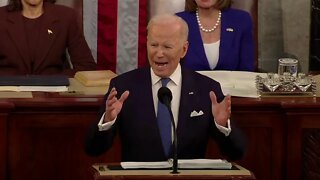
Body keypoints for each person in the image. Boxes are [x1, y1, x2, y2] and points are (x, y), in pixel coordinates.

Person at [85, 14, 246, 162]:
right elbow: (93, 149)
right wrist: (107, 120)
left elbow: (237, 152)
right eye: (153, 45)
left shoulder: (206, 89)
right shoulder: (123, 87)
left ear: (184, 49)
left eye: (167, 47)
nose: (159, 53)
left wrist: (222, 125)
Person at [0, 0, 96, 76]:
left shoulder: (66, 17)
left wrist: (56, 79)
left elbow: (86, 67)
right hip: (8, 93)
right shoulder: (2, 17)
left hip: (53, 95)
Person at [176, 0, 254, 71]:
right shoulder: (178, 22)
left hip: (234, 86)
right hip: (190, 86)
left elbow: (247, 70)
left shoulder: (241, 20)